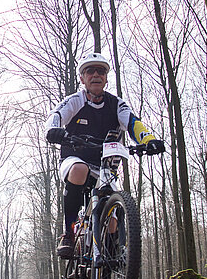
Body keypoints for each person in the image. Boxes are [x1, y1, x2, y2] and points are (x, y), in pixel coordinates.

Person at [44, 51, 166, 260]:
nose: (95, 75)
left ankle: (109, 270)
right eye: (89, 71)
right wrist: (54, 130)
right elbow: (56, 116)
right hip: (75, 159)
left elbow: (133, 124)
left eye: (100, 71)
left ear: (106, 78)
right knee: (79, 169)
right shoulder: (75, 100)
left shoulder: (116, 104)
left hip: (104, 167)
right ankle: (69, 233)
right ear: (82, 78)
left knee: (113, 215)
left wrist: (149, 140)